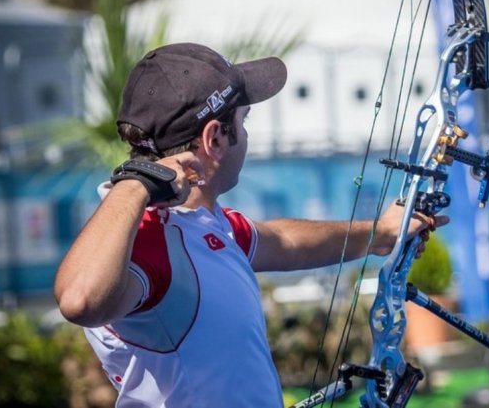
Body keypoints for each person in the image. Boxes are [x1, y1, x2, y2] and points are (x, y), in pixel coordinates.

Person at [54, 42, 447, 407]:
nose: (245, 134)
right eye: (242, 121)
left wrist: (383, 233)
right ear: (215, 139)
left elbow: (284, 240)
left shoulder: (203, 226)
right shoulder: (151, 238)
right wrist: (138, 181)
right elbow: (78, 300)